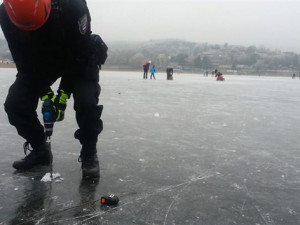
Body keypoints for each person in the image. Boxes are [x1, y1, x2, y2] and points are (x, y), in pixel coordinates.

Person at [0, 0, 108, 179]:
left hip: (77, 58)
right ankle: (41, 150)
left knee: (86, 103)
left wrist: (63, 94)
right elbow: (23, 61)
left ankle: (89, 153)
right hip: (41, 62)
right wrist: (45, 93)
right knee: (15, 104)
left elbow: (81, 53)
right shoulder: (5, 13)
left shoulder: (74, 6)